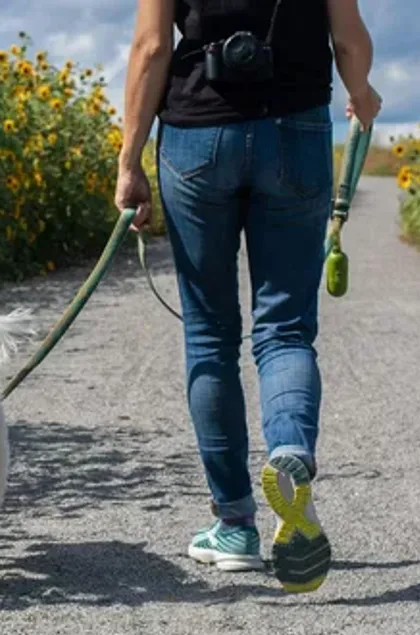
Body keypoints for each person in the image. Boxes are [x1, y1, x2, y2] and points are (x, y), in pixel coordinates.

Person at [114, 0, 380, 593]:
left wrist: (129, 161)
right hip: (297, 130)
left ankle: (235, 523)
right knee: (285, 329)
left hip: (195, 135)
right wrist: (361, 92)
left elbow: (152, 48)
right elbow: (349, 38)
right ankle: (289, 449)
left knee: (209, 334)